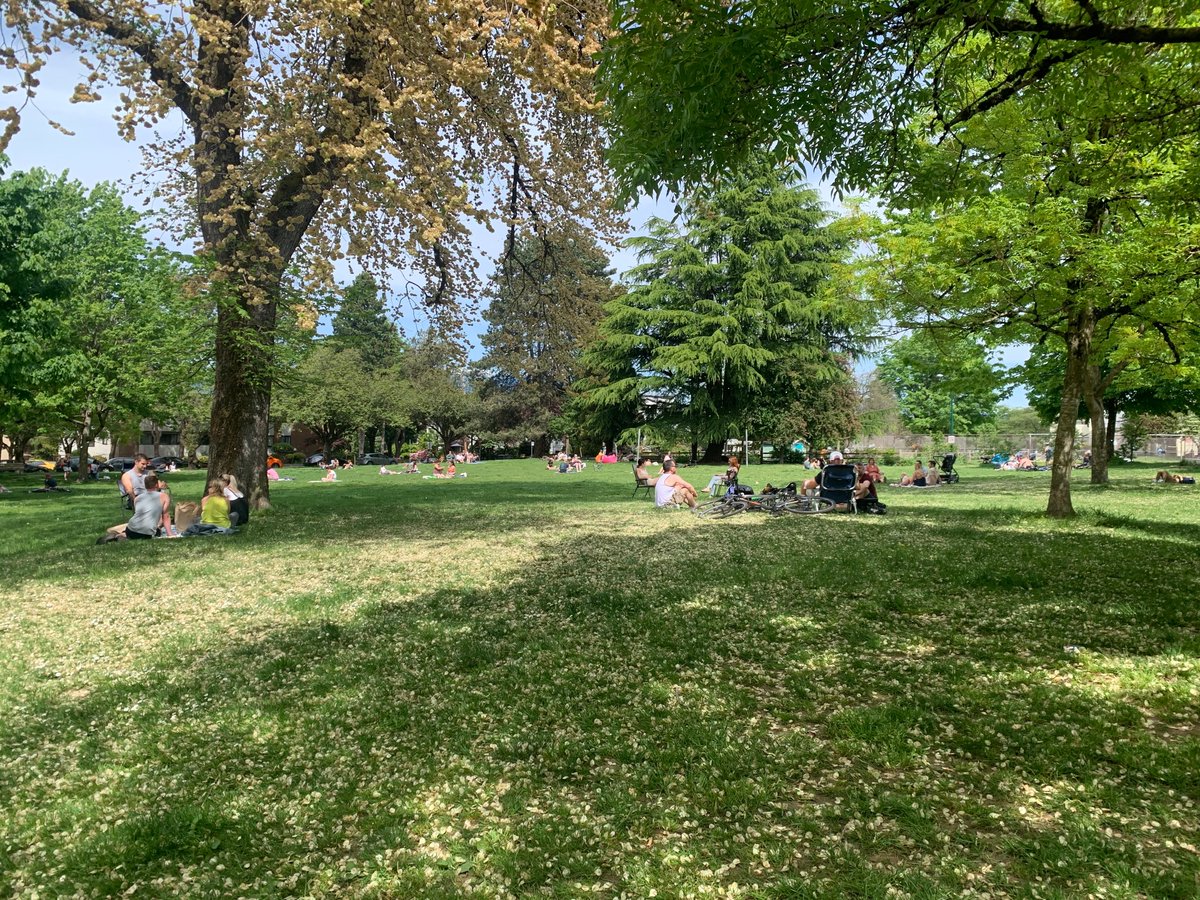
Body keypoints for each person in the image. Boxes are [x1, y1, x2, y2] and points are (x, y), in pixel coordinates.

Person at [126, 473, 173, 538]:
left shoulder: (137, 498)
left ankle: (119, 536)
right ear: (156, 485)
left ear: (145, 486)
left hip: (130, 529)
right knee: (158, 531)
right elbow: (166, 517)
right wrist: (170, 534)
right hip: (146, 533)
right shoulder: (164, 496)